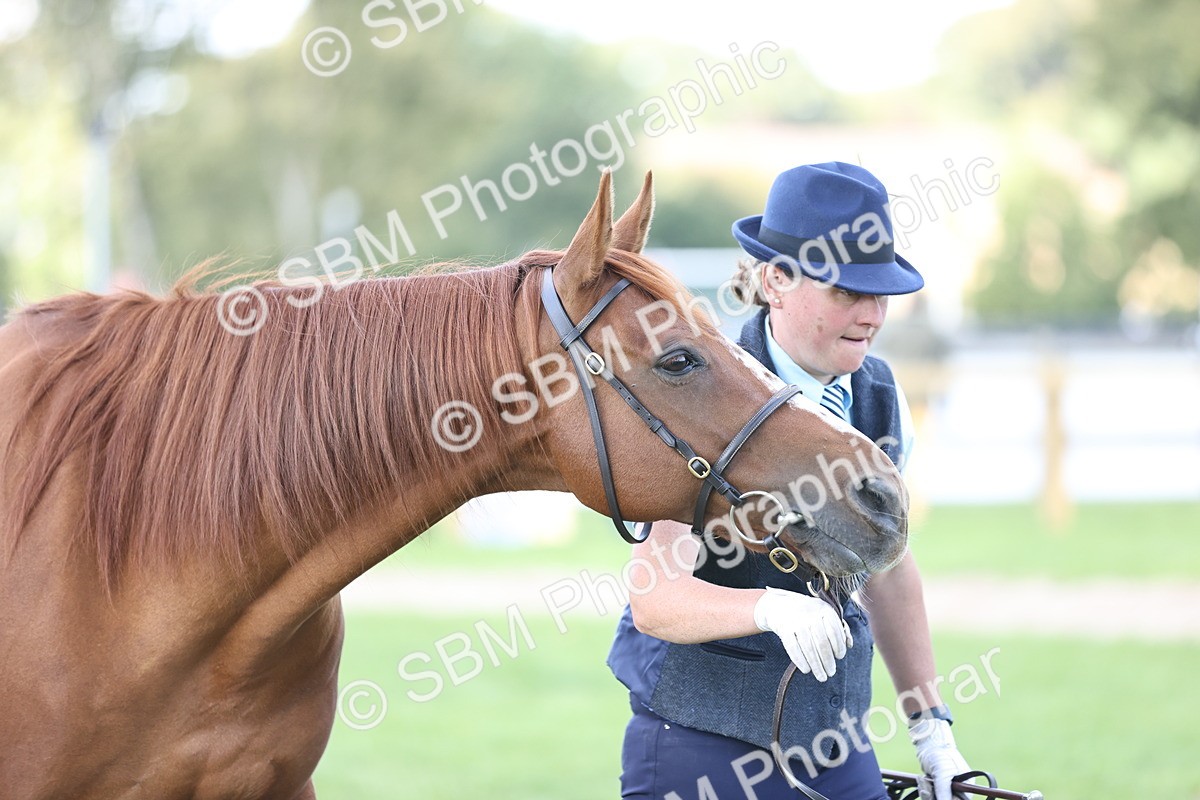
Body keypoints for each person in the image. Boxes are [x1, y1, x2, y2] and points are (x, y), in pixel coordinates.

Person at [607, 162, 970, 800]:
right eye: (846, 293)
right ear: (777, 280)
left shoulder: (881, 397)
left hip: (836, 739)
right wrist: (766, 608)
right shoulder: (700, 396)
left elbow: (887, 568)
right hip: (701, 743)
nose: (871, 315)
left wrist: (931, 729)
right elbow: (656, 598)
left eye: (879, 292)